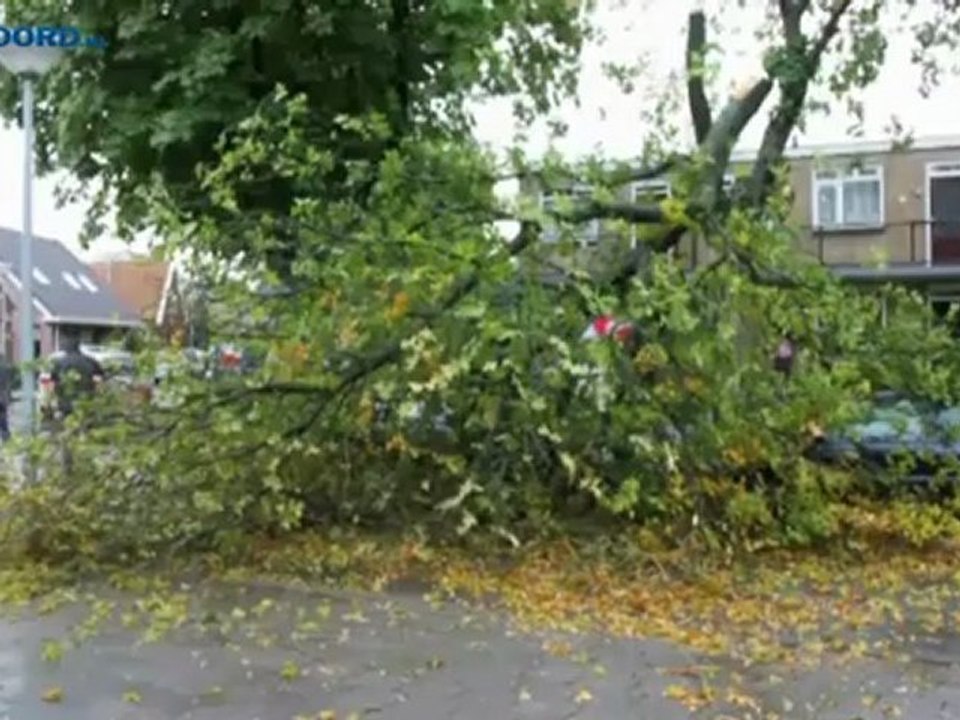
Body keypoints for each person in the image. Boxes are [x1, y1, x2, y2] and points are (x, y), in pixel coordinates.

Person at [50, 337, 104, 420]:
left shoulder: (59, 362)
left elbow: (53, 381)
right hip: (86, 399)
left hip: (65, 400)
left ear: (66, 348)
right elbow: (100, 378)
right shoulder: (90, 361)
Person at [0, 356, 14, 442]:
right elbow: (6, 385)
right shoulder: (4, 369)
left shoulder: (3, 369)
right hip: (2, 397)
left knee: (3, 419)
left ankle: (6, 437)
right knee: (3, 419)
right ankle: (6, 439)